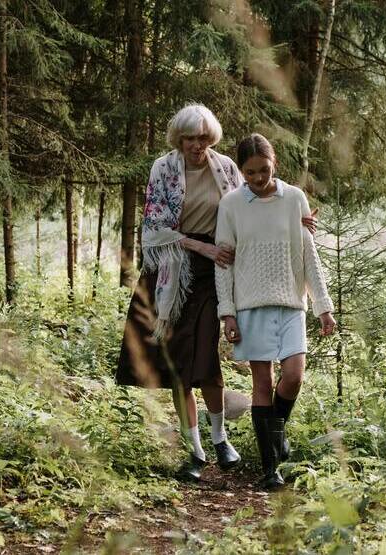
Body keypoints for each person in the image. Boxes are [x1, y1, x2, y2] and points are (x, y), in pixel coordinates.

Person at [115, 106, 315, 482]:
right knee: (177, 365)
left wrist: (295, 216)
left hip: (217, 270)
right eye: (190, 138)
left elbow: (258, 195)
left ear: (212, 139)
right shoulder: (163, 169)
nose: (197, 145)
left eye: (204, 138)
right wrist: (199, 247)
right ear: (179, 139)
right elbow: (154, 228)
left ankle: (221, 439)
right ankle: (196, 451)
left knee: (205, 357)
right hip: (173, 271)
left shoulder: (225, 167)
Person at [214, 133, 336, 490]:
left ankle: (276, 434)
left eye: (263, 170)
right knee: (262, 385)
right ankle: (270, 470)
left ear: (275, 163)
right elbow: (224, 264)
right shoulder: (232, 205)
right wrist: (228, 313)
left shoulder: (294, 198)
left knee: (294, 376)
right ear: (241, 171)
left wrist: (323, 307)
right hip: (250, 306)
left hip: (291, 306)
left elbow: (308, 256)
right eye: (249, 172)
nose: (257, 178)